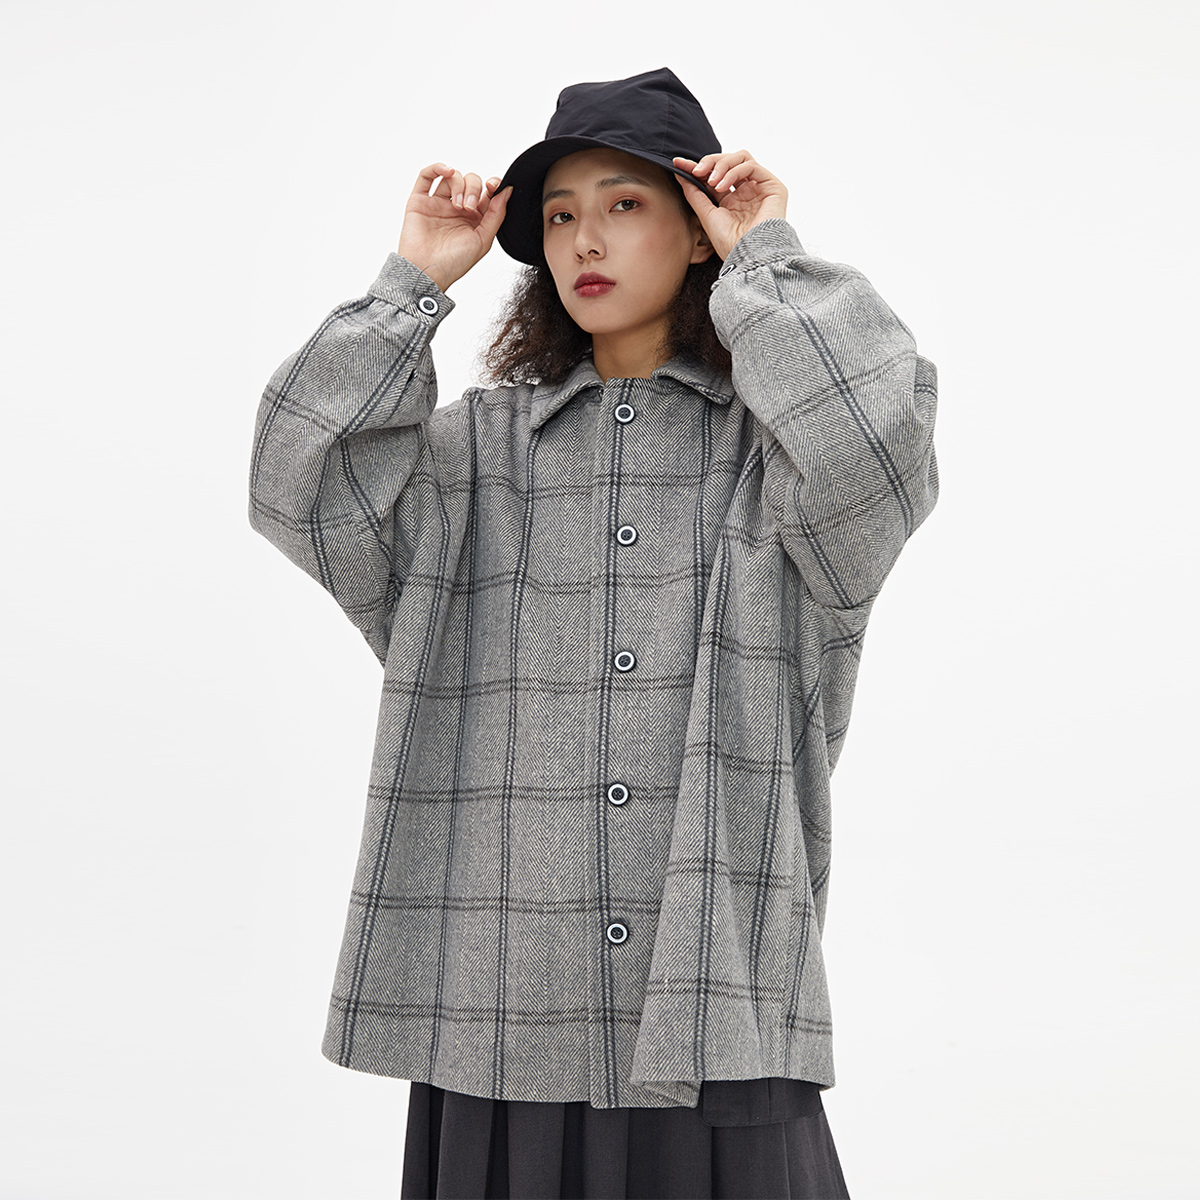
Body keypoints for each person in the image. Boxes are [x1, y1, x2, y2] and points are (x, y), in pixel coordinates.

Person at [248, 67, 938, 1200]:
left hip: (713, 1003)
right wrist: (411, 286)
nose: (584, 240)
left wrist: (767, 256)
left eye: (624, 204)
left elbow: (878, 442)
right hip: (499, 1009)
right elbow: (298, 483)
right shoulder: (472, 459)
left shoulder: (780, 461)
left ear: (698, 227)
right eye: (560, 216)